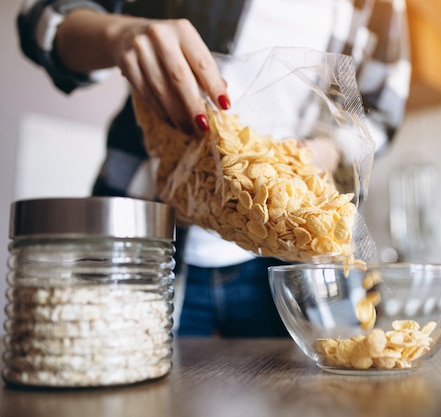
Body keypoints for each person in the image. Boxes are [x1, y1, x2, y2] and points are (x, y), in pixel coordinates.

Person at [17, 0, 412, 337]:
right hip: (143, 238)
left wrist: (320, 153)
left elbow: (383, 110)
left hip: (299, 261)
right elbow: (41, 21)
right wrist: (119, 34)